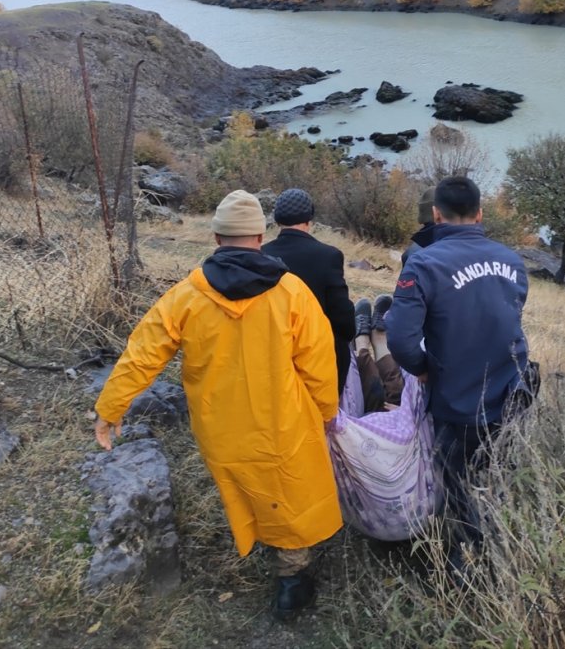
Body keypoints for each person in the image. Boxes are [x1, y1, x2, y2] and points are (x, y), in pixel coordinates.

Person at [93, 189, 342, 620]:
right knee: (287, 488)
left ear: (215, 237)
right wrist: (326, 412)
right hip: (283, 420)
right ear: (260, 236)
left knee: (244, 486)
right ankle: (291, 580)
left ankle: (260, 544)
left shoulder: (186, 296)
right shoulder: (292, 293)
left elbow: (142, 354)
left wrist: (111, 406)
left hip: (220, 427)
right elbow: (318, 363)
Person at [385, 175, 531, 554]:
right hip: (512, 391)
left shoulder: (423, 264)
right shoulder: (512, 261)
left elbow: (400, 339)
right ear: (481, 213)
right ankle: (502, 534)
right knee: (495, 465)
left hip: (457, 398)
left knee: (455, 475)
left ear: (435, 214)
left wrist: (422, 367)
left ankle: (467, 556)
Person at [263, 188, 356, 393]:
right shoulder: (329, 256)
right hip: (317, 357)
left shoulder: (261, 254)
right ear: (309, 218)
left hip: (271, 350)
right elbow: (344, 321)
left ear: (277, 220)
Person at [353, 295, 402, 412]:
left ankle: (361, 344)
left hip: (368, 422)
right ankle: (379, 342)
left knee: (375, 394)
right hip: (399, 422)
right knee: (397, 390)